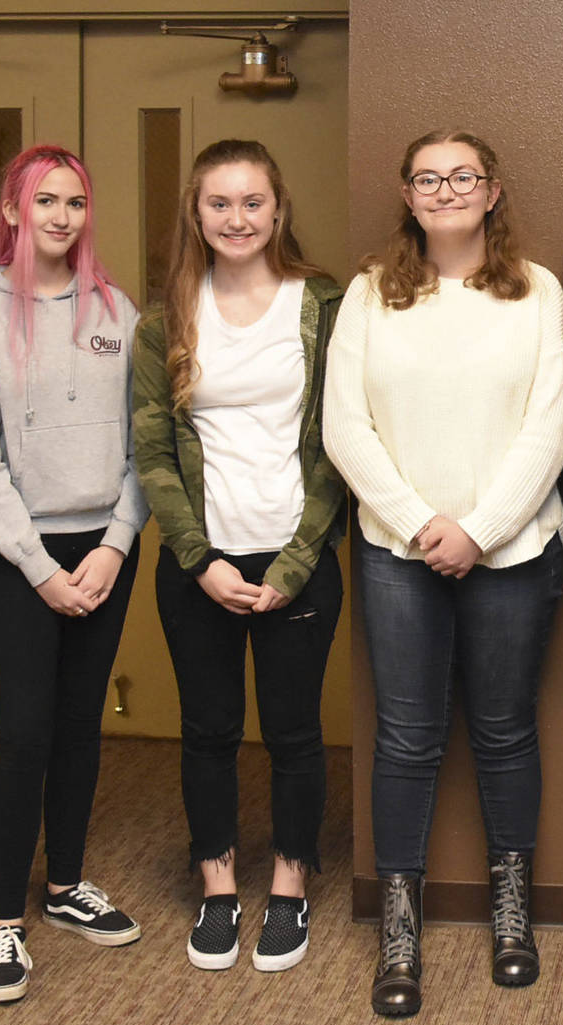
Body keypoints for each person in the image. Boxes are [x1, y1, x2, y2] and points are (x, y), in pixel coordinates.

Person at [323, 129, 563, 1017]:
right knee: (406, 739)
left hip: (515, 553)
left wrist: (480, 529)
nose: (445, 189)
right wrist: (424, 524)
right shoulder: (368, 295)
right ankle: (400, 927)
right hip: (400, 554)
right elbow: (344, 429)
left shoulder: (536, 292)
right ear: (408, 194)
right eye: (428, 178)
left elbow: (550, 428)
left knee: (504, 732)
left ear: (493, 191)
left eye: (462, 176)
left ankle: (512, 914)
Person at [132, 139, 348, 975]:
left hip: (296, 557)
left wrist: (293, 566)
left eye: (252, 201)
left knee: (295, 734)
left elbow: (338, 445)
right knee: (209, 732)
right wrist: (199, 560)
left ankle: (289, 889)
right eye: (219, 204)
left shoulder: (323, 304)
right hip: (201, 564)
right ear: (196, 213)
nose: (237, 218)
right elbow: (152, 451)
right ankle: (217, 888)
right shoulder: (165, 320)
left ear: (278, 208)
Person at [0, 144, 148, 1003]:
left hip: (103, 549)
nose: (62, 217)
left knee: (79, 724)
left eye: (76, 202)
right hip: (19, 556)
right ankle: (3, 925)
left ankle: (64, 887)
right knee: (25, 731)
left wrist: (114, 544)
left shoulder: (117, 309)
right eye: (45, 202)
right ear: (13, 212)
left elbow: (148, 442)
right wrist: (37, 566)